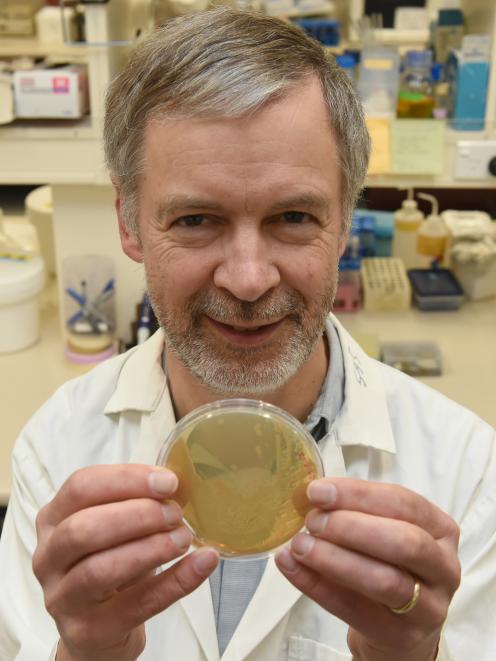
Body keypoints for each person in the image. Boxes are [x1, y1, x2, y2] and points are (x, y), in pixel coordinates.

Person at [0, 7, 495, 661]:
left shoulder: (465, 468)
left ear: (345, 218)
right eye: (196, 219)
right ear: (127, 220)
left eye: (293, 215)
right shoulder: (58, 448)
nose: (249, 278)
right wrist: (88, 652)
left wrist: (413, 653)